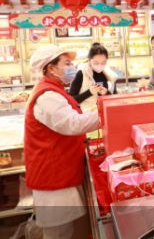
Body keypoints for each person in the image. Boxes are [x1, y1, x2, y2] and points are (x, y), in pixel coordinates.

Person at [25, 45, 99, 238]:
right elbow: (72, 124)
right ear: (51, 68)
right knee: (57, 233)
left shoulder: (55, 90)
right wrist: (107, 115)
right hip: (52, 175)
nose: (72, 66)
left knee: (64, 230)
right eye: (67, 63)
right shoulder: (47, 96)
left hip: (59, 172)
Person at [69, 43, 117, 111]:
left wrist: (106, 93)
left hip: (106, 113)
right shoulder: (81, 74)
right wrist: (89, 92)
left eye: (103, 62)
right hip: (87, 116)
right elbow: (71, 101)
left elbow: (115, 98)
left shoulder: (110, 75)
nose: (100, 65)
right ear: (89, 60)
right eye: (96, 63)